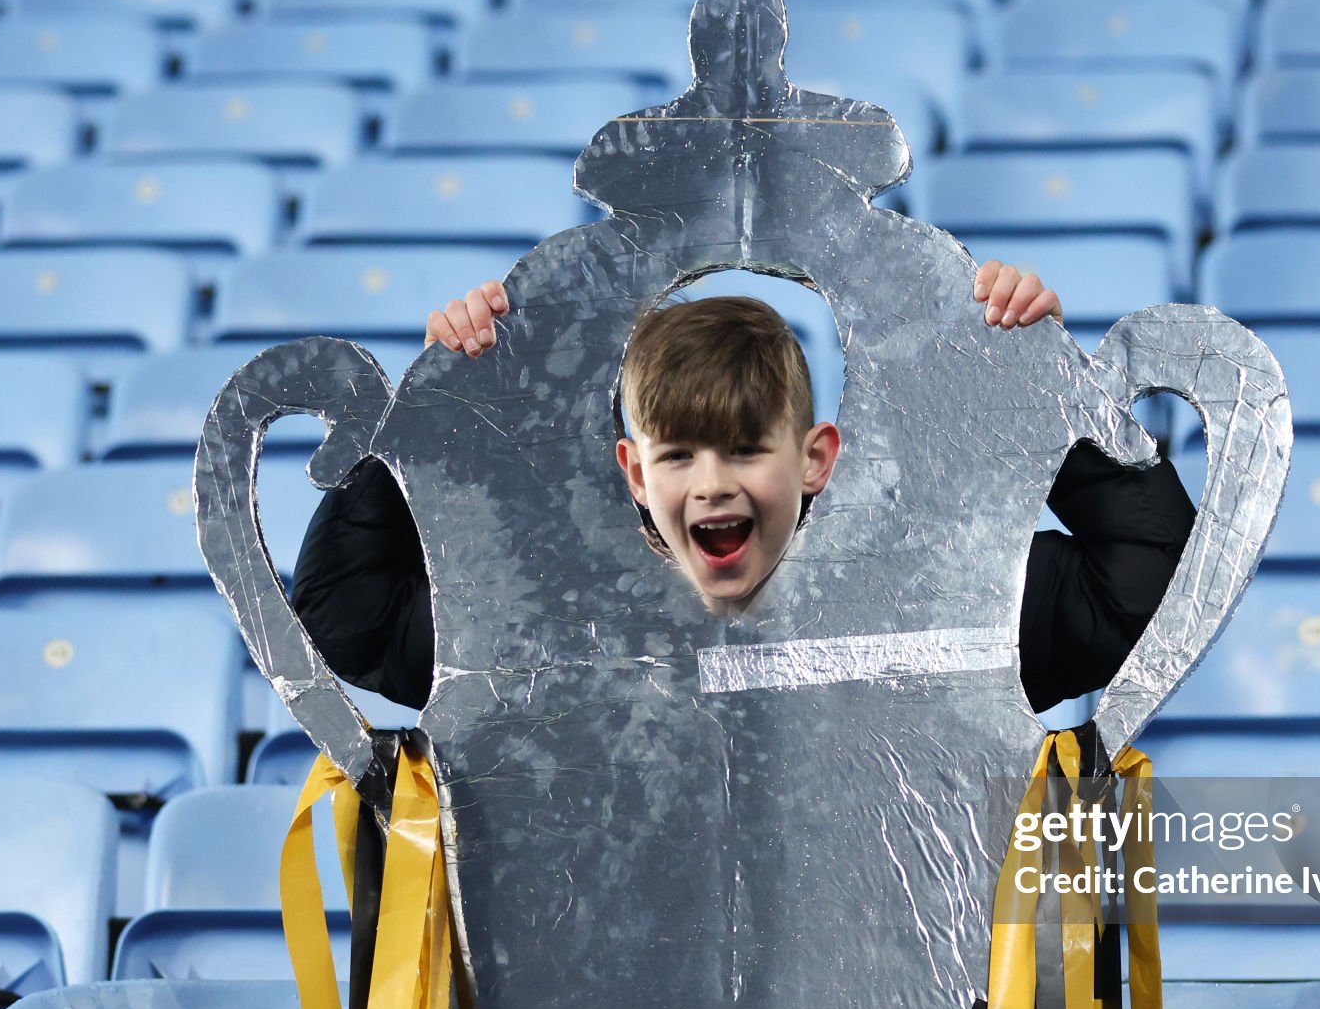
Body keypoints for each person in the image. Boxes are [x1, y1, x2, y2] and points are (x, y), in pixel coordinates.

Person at [291, 263, 1196, 716]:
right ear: (635, 475)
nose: (713, 485)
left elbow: (1150, 585)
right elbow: (347, 615)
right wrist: (442, 401)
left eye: (743, 450)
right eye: (678, 456)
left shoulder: (932, 596)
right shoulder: (549, 618)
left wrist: (1041, 384)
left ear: (815, 458)